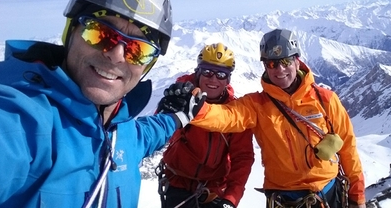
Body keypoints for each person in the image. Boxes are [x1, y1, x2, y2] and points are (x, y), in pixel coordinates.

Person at [0, 0, 183, 207]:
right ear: (71, 31)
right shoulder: (22, 120)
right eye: (101, 33)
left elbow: (148, 134)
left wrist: (181, 115)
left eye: (138, 50)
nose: (117, 56)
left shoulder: (123, 130)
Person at [157, 29, 367, 208]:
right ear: (265, 66)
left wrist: (358, 197)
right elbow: (227, 116)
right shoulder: (257, 105)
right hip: (283, 198)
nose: (280, 69)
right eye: (272, 64)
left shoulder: (326, 100)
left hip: (328, 194)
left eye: (285, 61)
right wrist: (195, 109)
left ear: (297, 60)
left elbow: (348, 149)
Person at [156, 43, 254, 208]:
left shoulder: (234, 113)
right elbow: (160, 131)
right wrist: (166, 110)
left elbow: (242, 157)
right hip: (177, 184)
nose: (213, 79)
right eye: (207, 72)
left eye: (221, 74)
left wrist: (231, 198)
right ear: (198, 73)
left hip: (214, 190)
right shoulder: (181, 97)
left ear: (228, 79)